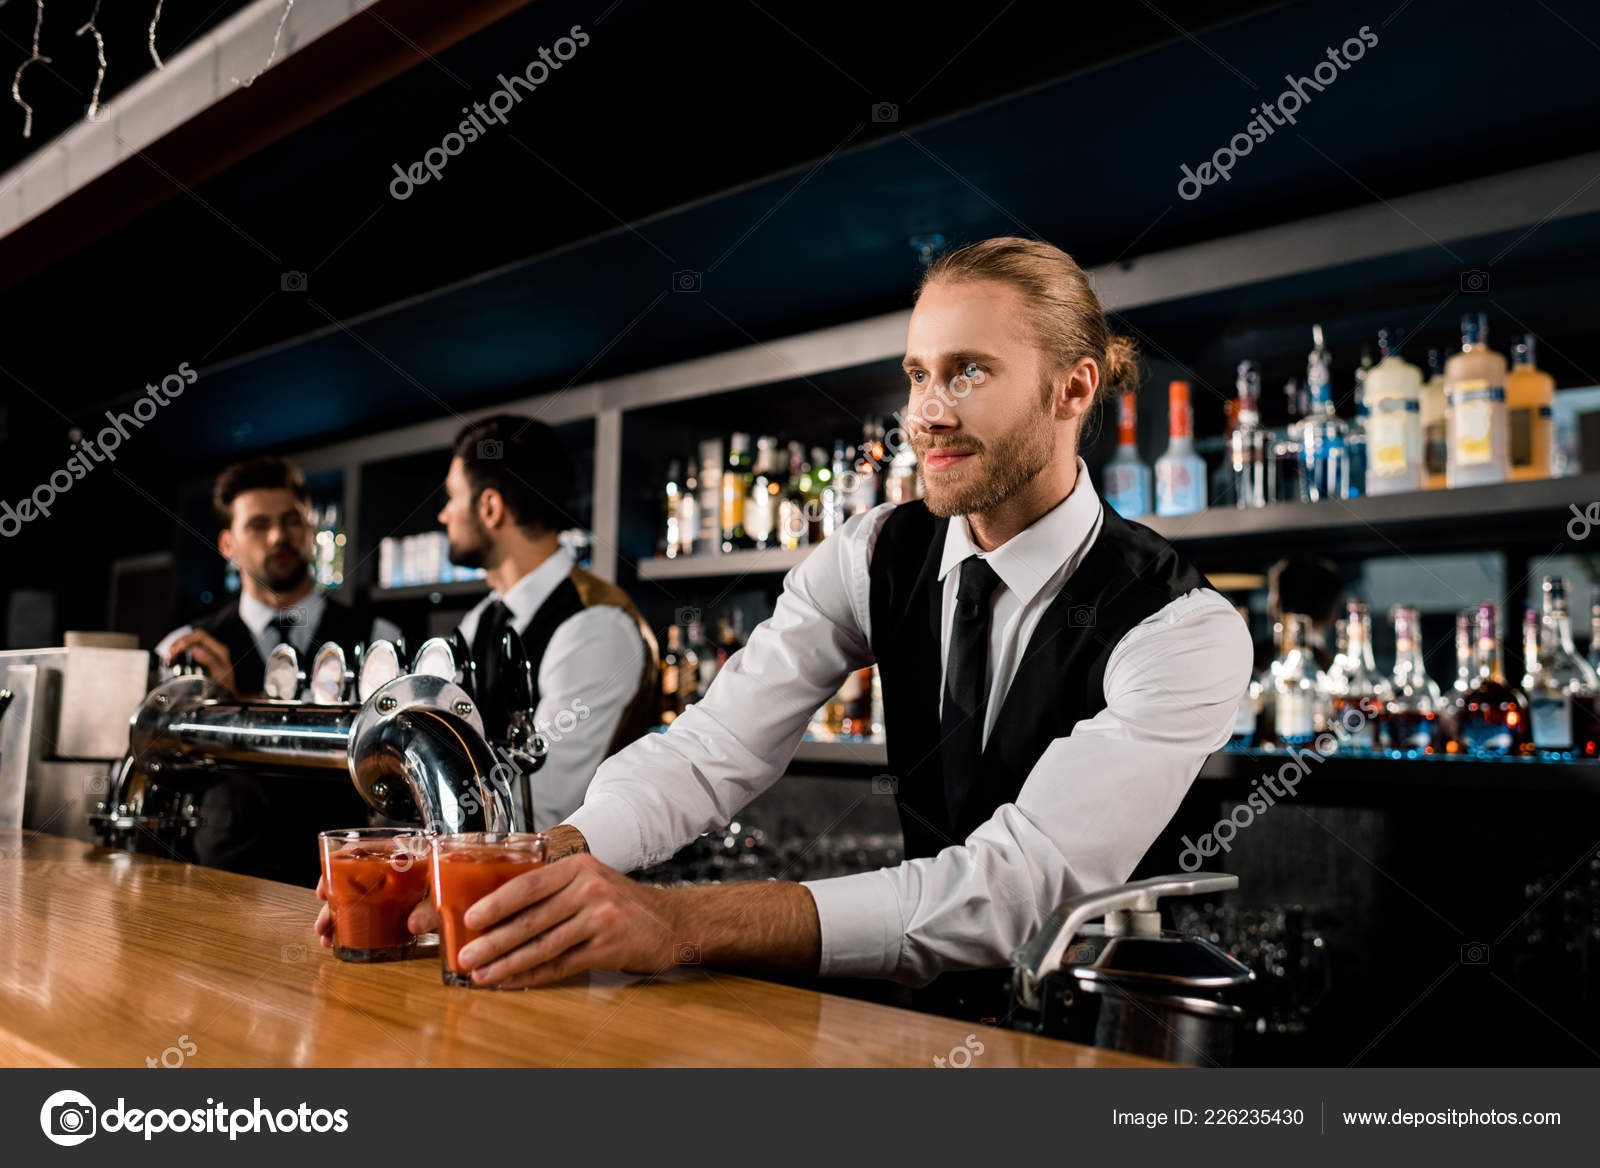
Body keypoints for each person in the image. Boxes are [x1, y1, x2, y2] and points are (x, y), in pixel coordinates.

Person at [315, 236, 1252, 1005]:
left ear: (1073, 390)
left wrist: (679, 923)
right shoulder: (873, 553)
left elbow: (1016, 890)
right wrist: (542, 856)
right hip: (912, 1025)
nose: (927, 413)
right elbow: (713, 747)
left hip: (1098, 1033)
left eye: (969, 372)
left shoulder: (1181, 628)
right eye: (918, 374)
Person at [155, 455, 400, 883]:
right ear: (228, 545)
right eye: (258, 525)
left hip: (343, 876)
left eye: (291, 520)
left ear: (311, 529)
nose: (278, 536)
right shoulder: (185, 649)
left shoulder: (380, 640)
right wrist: (213, 703)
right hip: (222, 876)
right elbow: (164, 771)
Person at [438, 416, 658, 828]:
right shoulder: (479, 620)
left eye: (452, 497)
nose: (443, 514)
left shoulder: (596, 626)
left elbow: (537, 810)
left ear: (490, 508)